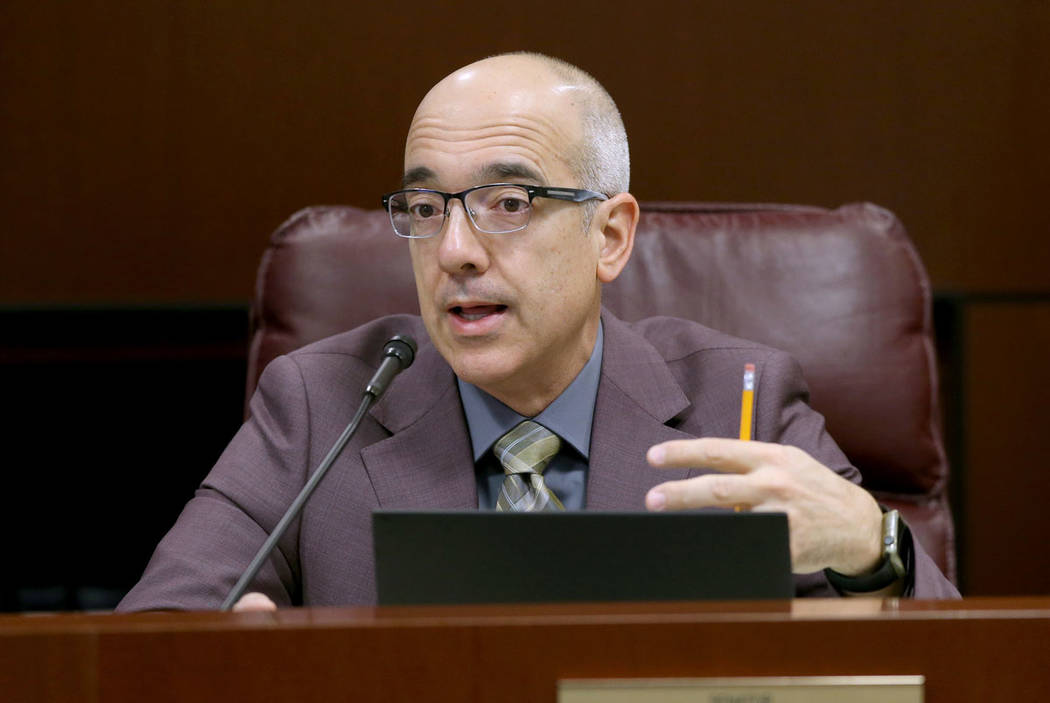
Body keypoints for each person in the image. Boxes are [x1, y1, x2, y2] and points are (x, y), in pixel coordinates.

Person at [118, 53, 959, 612]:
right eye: (423, 208)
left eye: (508, 204)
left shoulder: (738, 400)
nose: (454, 252)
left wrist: (872, 544)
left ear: (611, 235)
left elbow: (949, 668)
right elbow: (156, 636)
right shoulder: (318, 403)